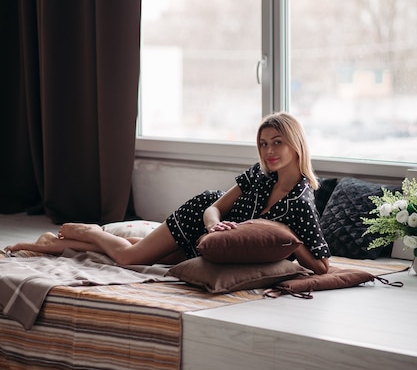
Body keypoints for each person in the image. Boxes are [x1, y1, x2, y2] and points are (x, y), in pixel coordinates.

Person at [7, 112, 330, 274]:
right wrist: (212, 225)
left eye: (277, 142)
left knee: (147, 253)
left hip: (214, 247)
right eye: (263, 143)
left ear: (295, 143)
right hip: (200, 220)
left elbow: (322, 266)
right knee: (132, 257)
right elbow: (214, 207)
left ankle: (52, 244)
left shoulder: (300, 204)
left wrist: (288, 235)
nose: (269, 151)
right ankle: (90, 230)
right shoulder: (259, 175)